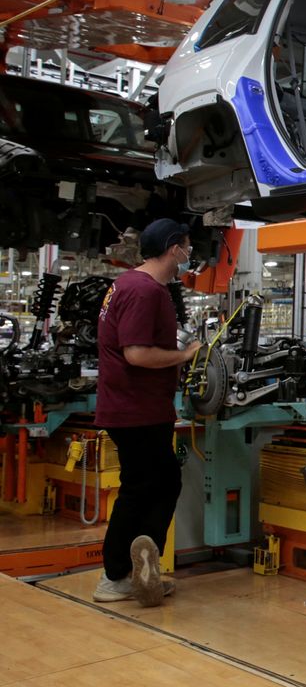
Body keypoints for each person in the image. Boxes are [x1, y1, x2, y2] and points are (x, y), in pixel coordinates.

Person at [93, 218, 200, 605]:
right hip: (136, 409)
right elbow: (136, 353)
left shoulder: (125, 284)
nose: (190, 254)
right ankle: (116, 575)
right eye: (188, 246)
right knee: (141, 489)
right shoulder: (146, 291)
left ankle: (142, 565)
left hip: (134, 407)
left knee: (161, 482)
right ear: (175, 248)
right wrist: (185, 355)